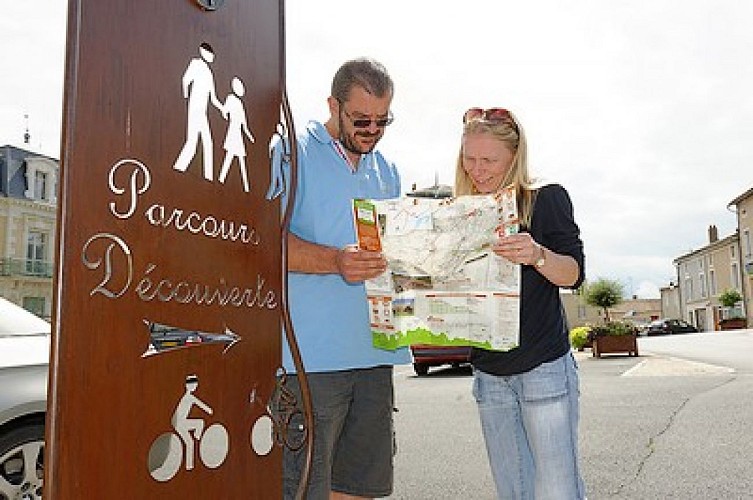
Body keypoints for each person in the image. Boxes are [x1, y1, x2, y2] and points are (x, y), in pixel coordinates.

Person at [279, 58, 410, 500]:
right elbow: (258, 242)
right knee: (304, 491)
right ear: (332, 106)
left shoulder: (387, 171)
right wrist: (335, 260)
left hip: (377, 354)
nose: (372, 129)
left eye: (383, 120)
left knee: (359, 490)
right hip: (308, 362)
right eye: (361, 119)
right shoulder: (290, 153)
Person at [454, 107, 586, 500]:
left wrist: (537, 255)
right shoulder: (458, 212)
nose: (477, 170)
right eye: (469, 158)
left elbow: (574, 273)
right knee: (514, 492)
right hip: (489, 373)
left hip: (543, 368)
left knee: (557, 492)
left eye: (489, 160)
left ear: (515, 157)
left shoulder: (545, 199)